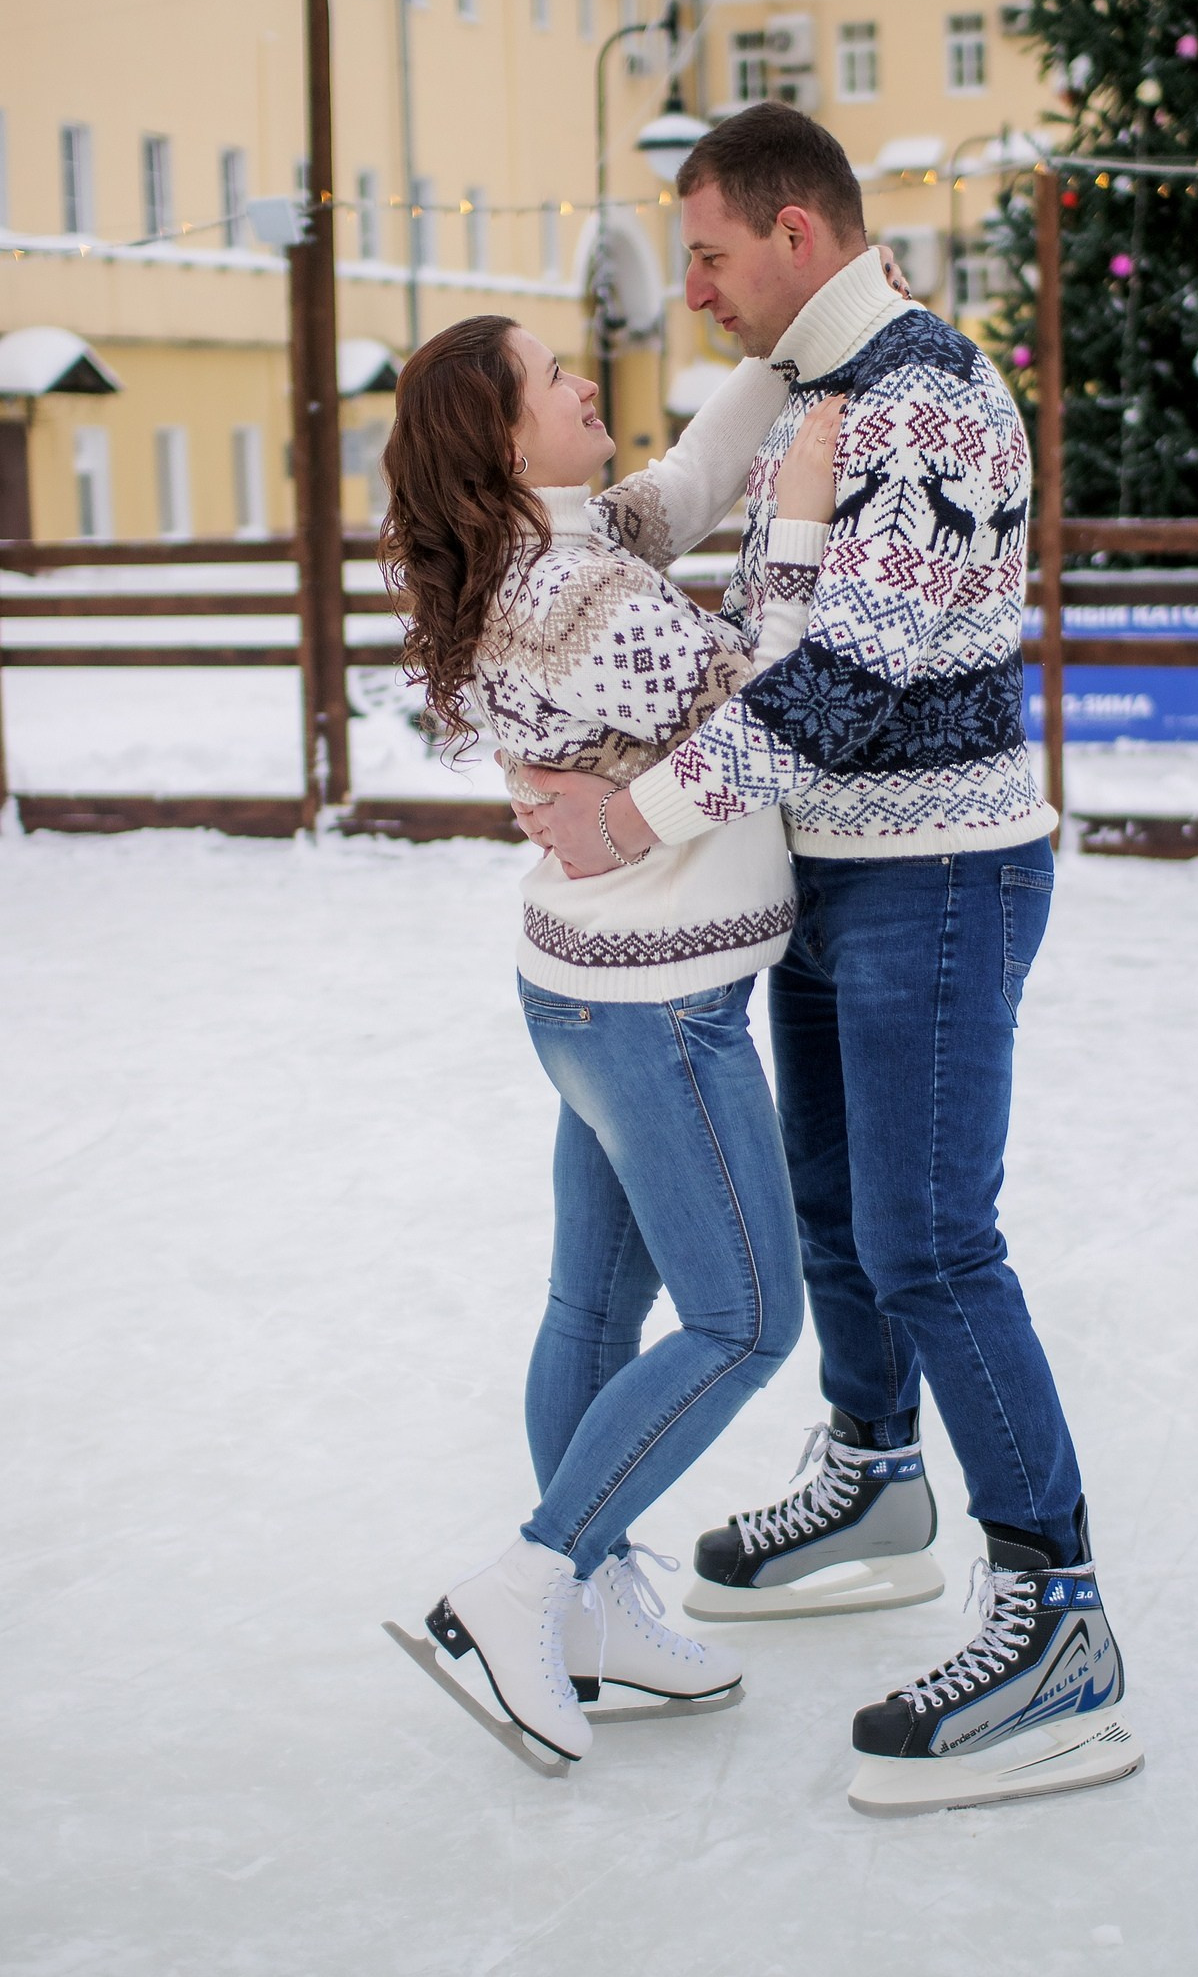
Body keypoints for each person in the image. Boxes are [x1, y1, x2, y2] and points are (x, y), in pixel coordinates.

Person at [516, 104, 1143, 1814]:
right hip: (821, 866)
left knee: (932, 1240)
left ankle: (1059, 1620)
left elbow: (847, 688)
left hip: (940, 872)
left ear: (797, 234)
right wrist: (481, 525)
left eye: (708, 252)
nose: (688, 287)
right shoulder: (791, 380)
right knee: (831, 1211)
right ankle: (876, 1478)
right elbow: (641, 523)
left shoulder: (925, 395)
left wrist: (627, 815)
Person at [379, 310, 846, 1765]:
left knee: (595, 1315)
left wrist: (793, 348)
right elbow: (768, 714)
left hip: (591, 988)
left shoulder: (562, 552)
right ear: (504, 438)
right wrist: (814, 518)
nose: (588, 380)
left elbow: (689, 482)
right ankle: (530, 1578)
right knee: (748, 1316)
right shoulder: (579, 596)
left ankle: (584, 1599)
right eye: (553, 376)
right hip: (659, 1009)